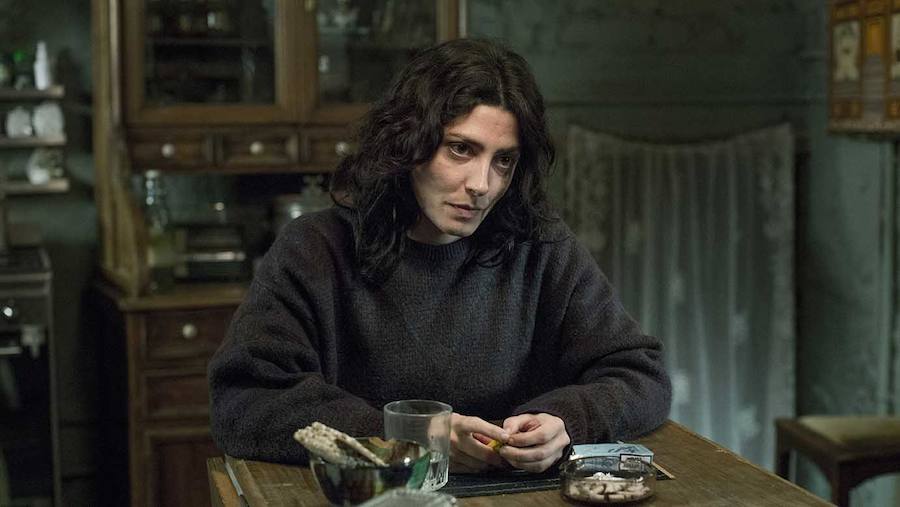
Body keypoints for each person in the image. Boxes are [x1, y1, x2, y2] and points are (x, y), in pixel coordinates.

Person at [208, 37, 671, 474]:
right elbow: (244, 404)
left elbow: (640, 374)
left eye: (503, 160)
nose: (482, 184)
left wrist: (567, 422)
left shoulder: (541, 247)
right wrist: (408, 435)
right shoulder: (315, 249)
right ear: (408, 143)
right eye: (461, 149)